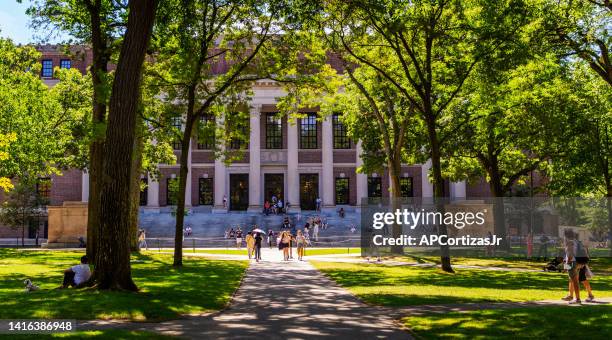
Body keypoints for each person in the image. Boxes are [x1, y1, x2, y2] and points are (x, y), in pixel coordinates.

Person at [562, 229, 585, 304]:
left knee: (574, 281)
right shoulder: (576, 241)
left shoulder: (569, 242)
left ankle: (577, 299)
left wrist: (566, 266)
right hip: (577, 262)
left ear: (566, 235)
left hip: (572, 262)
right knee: (571, 279)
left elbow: (570, 255)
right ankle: (571, 296)